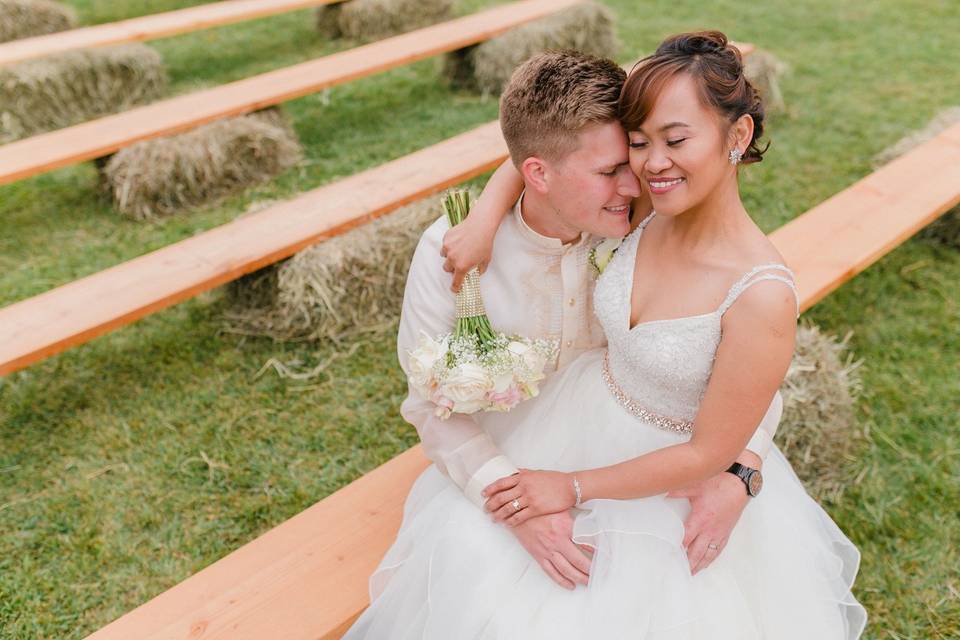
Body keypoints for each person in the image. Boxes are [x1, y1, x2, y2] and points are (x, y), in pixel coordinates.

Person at [344, 43, 804, 639]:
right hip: (521, 455)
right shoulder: (457, 255)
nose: (640, 175)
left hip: (660, 470)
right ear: (538, 173)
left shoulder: (646, 213)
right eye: (623, 160)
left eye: (636, 157)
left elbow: (737, 375)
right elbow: (431, 409)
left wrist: (742, 470)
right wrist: (516, 509)